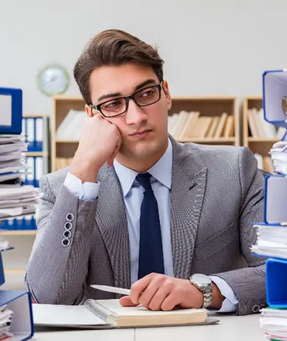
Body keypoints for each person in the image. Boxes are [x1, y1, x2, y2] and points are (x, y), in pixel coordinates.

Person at [26, 29, 267, 316]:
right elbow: (47, 298)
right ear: (93, 117)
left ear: (166, 95)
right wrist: (83, 168)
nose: (137, 116)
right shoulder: (61, 189)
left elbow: (285, 273)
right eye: (113, 104)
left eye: (146, 93)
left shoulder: (236, 169)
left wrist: (204, 291)